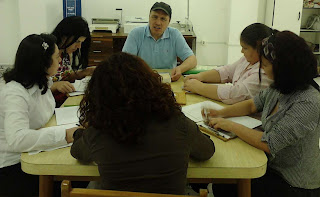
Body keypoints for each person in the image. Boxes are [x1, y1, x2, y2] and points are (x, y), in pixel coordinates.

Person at [70, 52, 214, 195]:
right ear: (150, 83)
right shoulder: (177, 123)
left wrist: (80, 132)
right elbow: (207, 151)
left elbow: (78, 152)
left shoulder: (98, 132)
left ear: (98, 95)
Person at [205, 31, 320, 197]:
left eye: (265, 65)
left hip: (294, 183)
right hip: (272, 165)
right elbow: (253, 104)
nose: (262, 70)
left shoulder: (308, 101)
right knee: (224, 181)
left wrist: (230, 125)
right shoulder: (281, 86)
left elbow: (270, 143)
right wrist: (221, 113)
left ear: (284, 66)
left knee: (227, 185)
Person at [0, 34, 79, 197]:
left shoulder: (42, 81)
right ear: (43, 63)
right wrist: (65, 134)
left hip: (35, 152)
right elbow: (17, 139)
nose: (59, 61)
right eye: (57, 57)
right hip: (14, 164)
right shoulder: (14, 93)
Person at [184, 23, 274, 104]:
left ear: (259, 49)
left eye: (245, 48)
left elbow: (236, 94)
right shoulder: (246, 60)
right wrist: (200, 76)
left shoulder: (264, 71)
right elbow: (227, 71)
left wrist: (199, 88)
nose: (242, 51)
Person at [122, 2, 197, 81]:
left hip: (168, 80)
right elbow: (125, 62)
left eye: (163, 19)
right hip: (142, 79)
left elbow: (192, 60)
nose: (158, 23)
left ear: (169, 21)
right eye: (155, 17)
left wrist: (180, 69)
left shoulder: (175, 34)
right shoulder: (136, 34)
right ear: (149, 17)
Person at [51, 16, 95, 106]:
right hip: (50, 104)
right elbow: (34, 88)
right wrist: (55, 86)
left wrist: (86, 72)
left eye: (81, 42)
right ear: (64, 36)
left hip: (65, 99)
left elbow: (65, 76)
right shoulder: (48, 53)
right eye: (77, 41)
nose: (79, 46)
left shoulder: (65, 52)